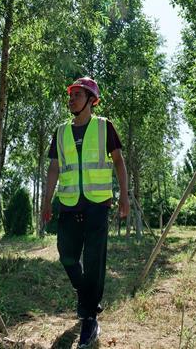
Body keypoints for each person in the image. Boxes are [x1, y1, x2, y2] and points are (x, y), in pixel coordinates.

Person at [41, 76, 129, 349]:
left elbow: (118, 162)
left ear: (91, 100)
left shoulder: (105, 128)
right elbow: (54, 167)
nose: (71, 99)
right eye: (70, 95)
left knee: (94, 263)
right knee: (67, 256)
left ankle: (89, 317)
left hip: (97, 205)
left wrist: (124, 195)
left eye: (77, 95)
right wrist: (46, 200)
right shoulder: (60, 131)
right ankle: (83, 291)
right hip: (68, 204)